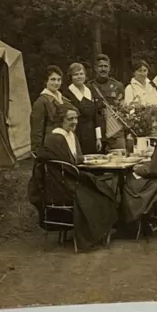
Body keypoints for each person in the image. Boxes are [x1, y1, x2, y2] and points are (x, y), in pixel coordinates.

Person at [28, 105, 118, 251]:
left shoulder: (70, 135)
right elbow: (68, 164)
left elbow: (73, 159)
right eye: (70, 119)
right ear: (60, 120)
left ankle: (101, 229)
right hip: (61, 186)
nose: (75, 122)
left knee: (100, 187)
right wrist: (84, 163)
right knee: (102, 191)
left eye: (76, 118)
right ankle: (97, 232)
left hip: (68, 179)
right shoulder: (55, 138)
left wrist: (91, 158)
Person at [88, 54, 126, 150]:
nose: (103, 69)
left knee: (119, 160)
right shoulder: (89, 87)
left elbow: (123, 110)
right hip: (97, 132)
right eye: (100, 66)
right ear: (95, 68)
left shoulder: (118, 86)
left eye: (106, 66)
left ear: (109, 68)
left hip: (115, 131)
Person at [30, 65, 70, 154]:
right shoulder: (41, 102)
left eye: (59, 80)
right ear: (46, 81)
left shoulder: (63, 99)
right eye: (53, 79)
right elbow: (37, 130)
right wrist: (37, 150)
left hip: (63, 142)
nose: (56, 83)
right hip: (49, 145)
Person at [65, 62, 103, 155]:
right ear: (71, 77)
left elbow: (96, 117)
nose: (79, 77)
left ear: (85, 75)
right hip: (77, 134)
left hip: (92, 135)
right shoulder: (67, 94)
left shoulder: (90, 90)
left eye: (81, 74)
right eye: (75, 74)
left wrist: (98, 138)